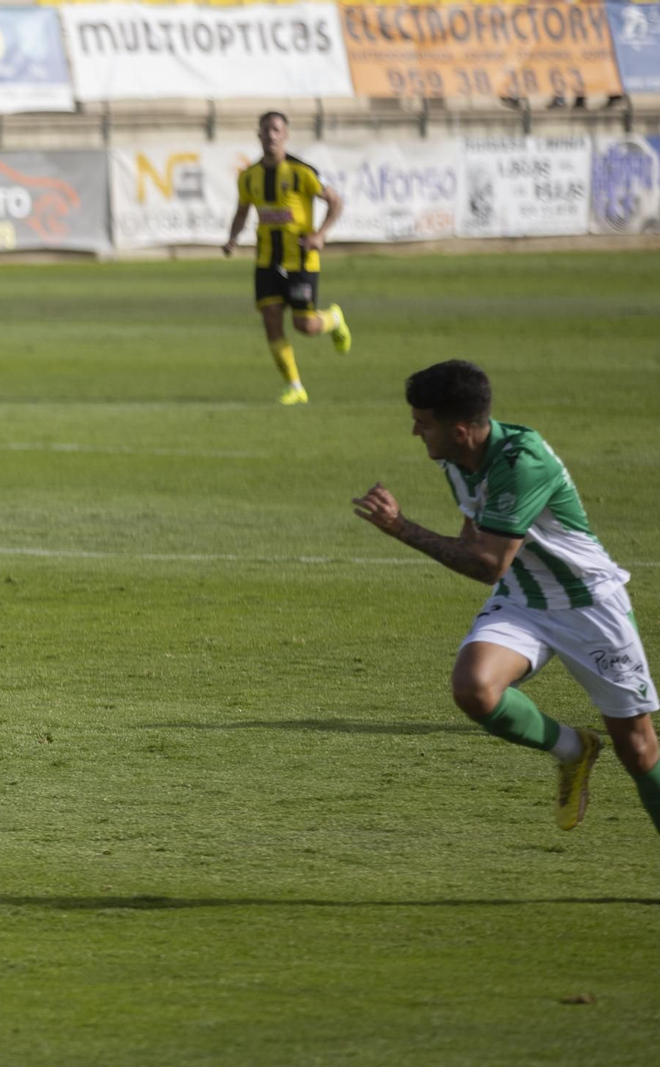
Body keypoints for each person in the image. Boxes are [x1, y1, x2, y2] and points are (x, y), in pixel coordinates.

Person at [352, 360, 659, 835]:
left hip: (588, 603)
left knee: (638, 750)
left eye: (423, 423)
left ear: (459, 430)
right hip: (521, 599)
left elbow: (488, 563)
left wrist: (400, 528)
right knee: (474, 689)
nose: (415, 432)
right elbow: (473, 537)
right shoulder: (455, 458)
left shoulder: (522, 463)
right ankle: (574, 749)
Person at [222, 111, 352, 406]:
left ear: (285, 135)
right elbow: (242, 212)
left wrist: (320, 235)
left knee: (304, 325)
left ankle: (333, 319)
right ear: (259, 135)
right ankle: (294, 386)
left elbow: (335, 202)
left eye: (276, 129)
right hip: (267, 261)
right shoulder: (249, 176)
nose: (271, 135)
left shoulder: (301, 171)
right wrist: (232, 239)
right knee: (271, 318)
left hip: (301, 260)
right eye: (266, 129)